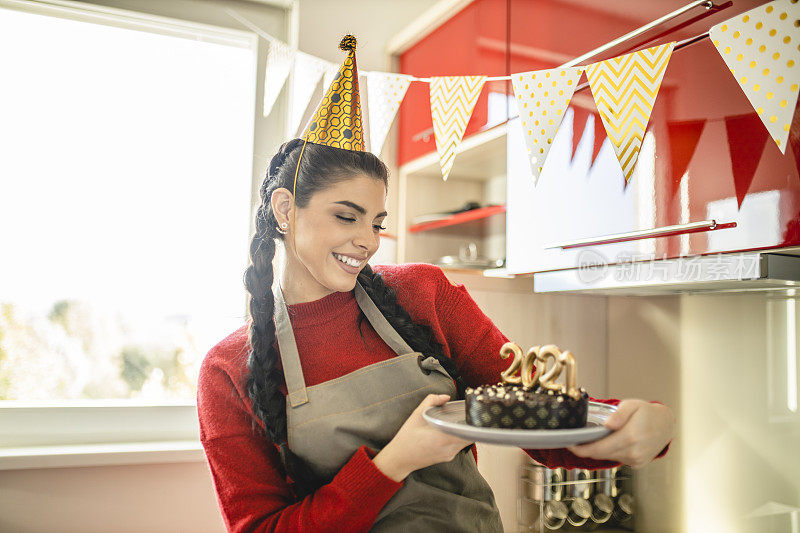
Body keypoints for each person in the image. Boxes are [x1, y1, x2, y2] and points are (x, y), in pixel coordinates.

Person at [196, 35, 674, 533]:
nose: (368, 242)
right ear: (284, 210)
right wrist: (393, 463)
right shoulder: (228, 371)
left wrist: (637, 424)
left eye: (376, 222)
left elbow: (530, 415)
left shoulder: (422, 295)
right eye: (346, 217)